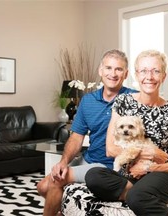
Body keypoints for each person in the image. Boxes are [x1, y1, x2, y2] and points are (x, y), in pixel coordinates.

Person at [85, 49, 168, 216]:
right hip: (130, 174)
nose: (149, 77)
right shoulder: (123, 102)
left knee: (137, 197)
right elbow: (110, 149)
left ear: (164, 76)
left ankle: (144, 196)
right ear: (136, 75)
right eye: (144, 71)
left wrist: (149, 168)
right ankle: (167, 197)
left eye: (156, 71)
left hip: (164, 172)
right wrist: (142, 156)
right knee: (93, 176)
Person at [37, 49, 138, 215]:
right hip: (89, 158)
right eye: (108, 68)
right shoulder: (88, 100)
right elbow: (76, 137)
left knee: (57, 181)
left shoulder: (133, 99)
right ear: (100, 71)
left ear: (125, 74)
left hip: (108, 166)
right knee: (42, 187)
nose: (113, 73)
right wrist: (63, 162)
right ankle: (68, 210)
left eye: (118, 69)